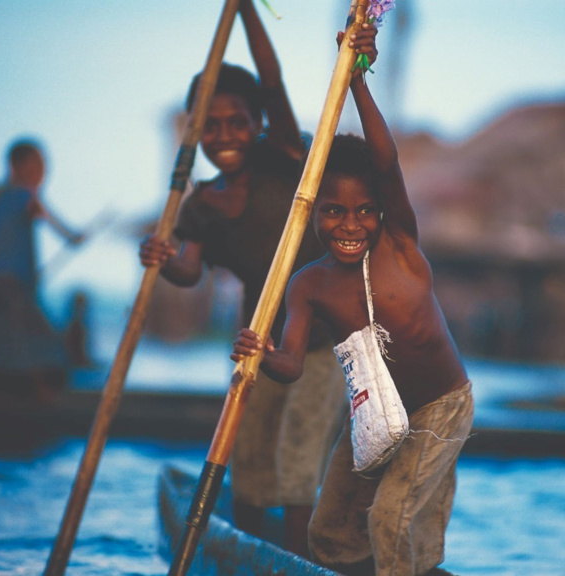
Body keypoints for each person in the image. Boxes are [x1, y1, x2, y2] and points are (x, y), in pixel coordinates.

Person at [139, 0, 379, 557]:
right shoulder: (201, 204)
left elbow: (270, 82)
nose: (225, 135)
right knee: (245, 459)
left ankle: (292, 562)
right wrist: (162, 257)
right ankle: (245, 553)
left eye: (237, 122)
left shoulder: (281, 156)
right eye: (212, 126)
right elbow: (189, 270)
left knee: (297, 462)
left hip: (322, 337)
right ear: (197, 132)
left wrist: (245, 9)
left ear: (255, 125)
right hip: (258, 339)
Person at [231, 28, 474, 576]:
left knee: (390, 520)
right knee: (329, 532)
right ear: (312, 213)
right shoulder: (308, 284)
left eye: (364, 210)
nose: (350, 224)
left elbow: (385, 165)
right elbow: (291, 364)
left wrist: (359, 81)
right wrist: (262, 352)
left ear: (382, 212)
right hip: (375, 415)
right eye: (334, 212)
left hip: (439, 409)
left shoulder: (400, 244)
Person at [0, 137, 83, 401]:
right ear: (18, 167)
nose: (43, 171)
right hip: (7, 290)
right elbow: (51, 220)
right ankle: (42, 396)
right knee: (38, 344)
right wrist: (74, 238)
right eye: (38, 164)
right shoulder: (22, 195)